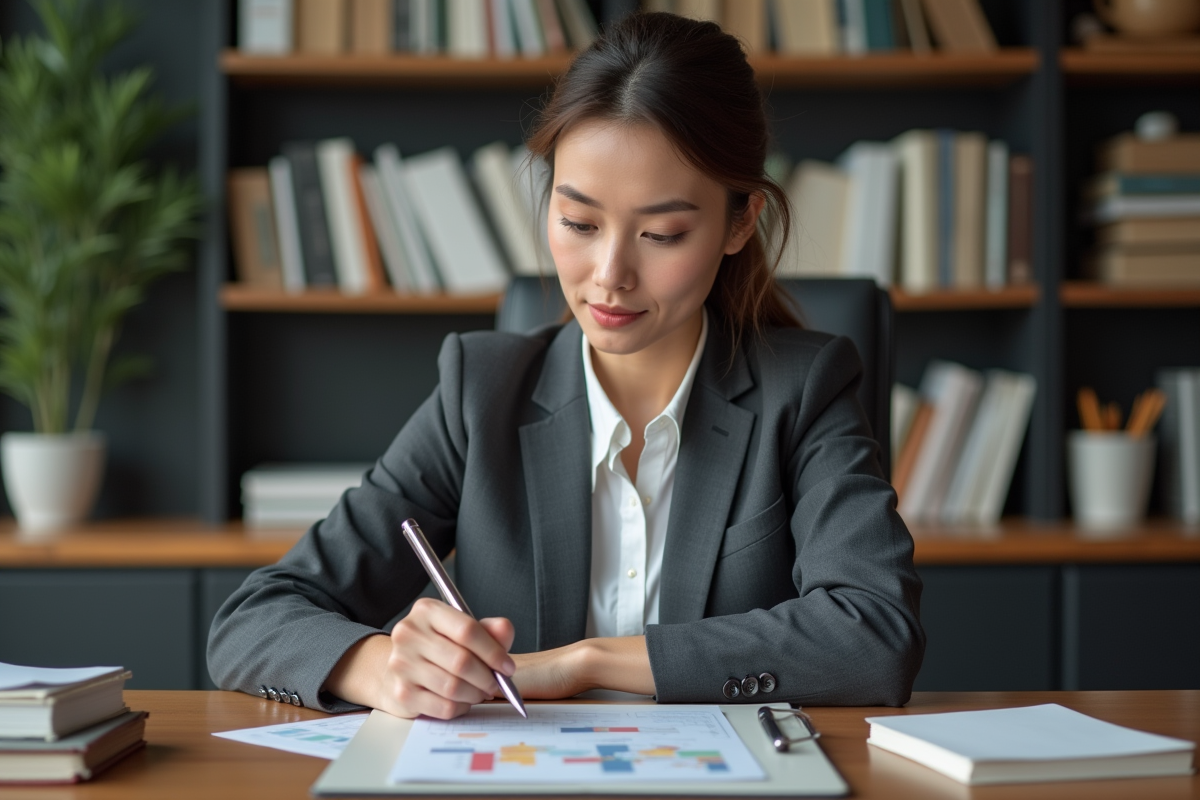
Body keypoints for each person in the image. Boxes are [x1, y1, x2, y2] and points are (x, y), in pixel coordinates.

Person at [208, 11, 924, 719]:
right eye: (579, 223)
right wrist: (384, 668)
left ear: (740, 222)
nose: (610, 275)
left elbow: (875, 636)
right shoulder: (481, 391)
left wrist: (586, 662)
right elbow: (253, 620)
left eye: (662, 234)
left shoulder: (806, 388)